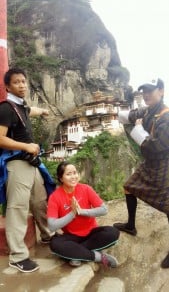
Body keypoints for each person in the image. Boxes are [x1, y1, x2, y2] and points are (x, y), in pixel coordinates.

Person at [0, 68, 54, 273]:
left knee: (40, 202)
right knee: (18, 208)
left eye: (24, 81)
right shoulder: (6, 108)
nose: (22, 85)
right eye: (16, 82)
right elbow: (0, 138)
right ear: (7, 86)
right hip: (17, 164)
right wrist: (26, 146)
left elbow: (32, 111)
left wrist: (44, 111)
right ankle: (18, 256)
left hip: (32, 164)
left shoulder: (21, 108)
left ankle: (48, 236)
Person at [113, 78, 169, 268]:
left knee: (168, 205)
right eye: (144, 91)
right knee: (129, 186)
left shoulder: (166, 117)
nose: (146, 95)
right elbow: (135, 113)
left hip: (164, 164)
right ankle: (131, 225)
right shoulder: (147, 110)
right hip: (149, 163)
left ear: (161, 91)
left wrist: (137, 130)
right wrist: (119, 115)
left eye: (150, 91)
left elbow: (158, 146)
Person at [47, 161, 120, 267]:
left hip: (91, 233)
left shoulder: (86, 189)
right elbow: (52, 226)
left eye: (75, 173)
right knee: (54, 244)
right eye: (68, 174)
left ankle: (76, 253)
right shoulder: (54, 197)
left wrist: (81, 211)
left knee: (112, 232)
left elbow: (104, 209)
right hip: (72, 236)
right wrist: (72, 214)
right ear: (61, 178)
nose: (73, 177)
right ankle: (98, 257)